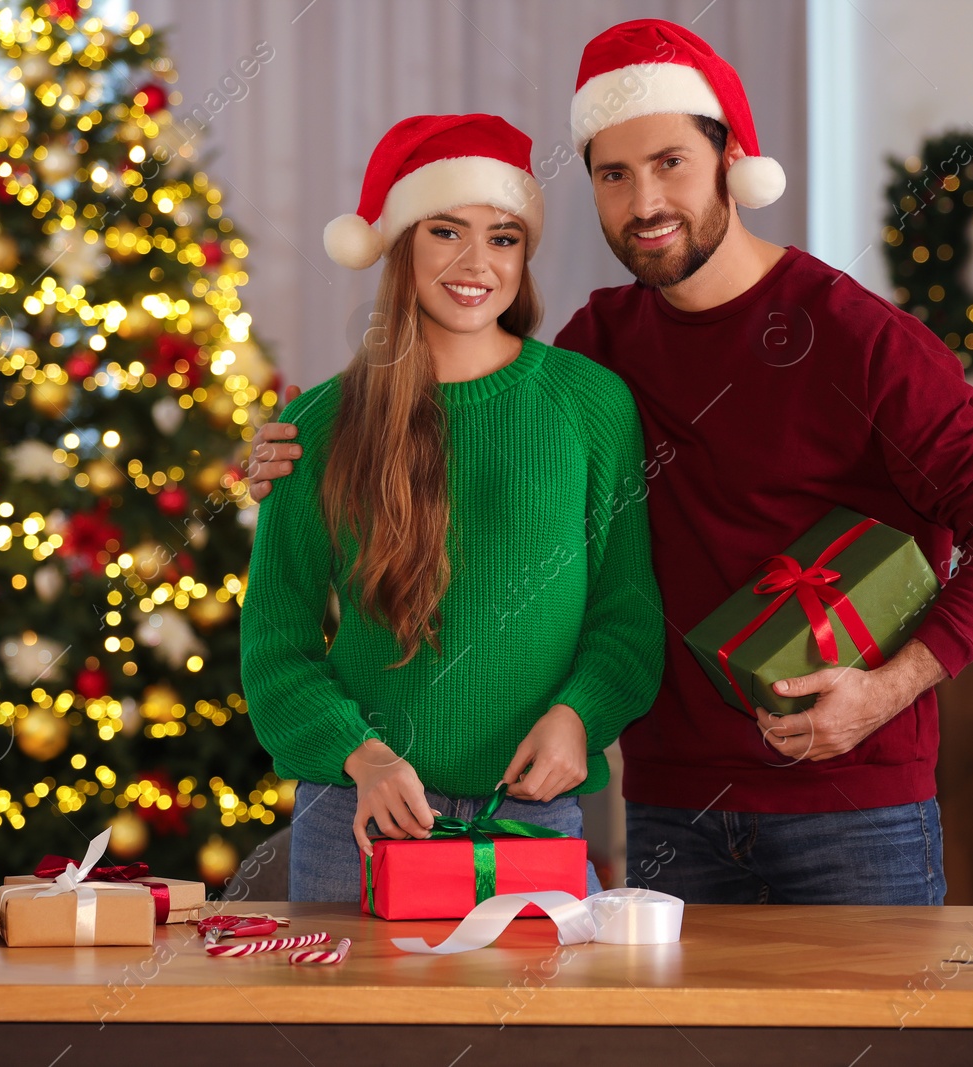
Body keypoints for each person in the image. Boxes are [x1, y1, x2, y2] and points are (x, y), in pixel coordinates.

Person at [250, 22, 973, 906]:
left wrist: (889, 689)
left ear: (730, 160)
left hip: (849, 803)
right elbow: (471, 432)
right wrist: (297, 445)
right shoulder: (601, 347)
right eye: (614, 173)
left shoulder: (859, 340)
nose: (645, 201)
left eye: (671, 162)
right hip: (673, 808)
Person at [239, 114, 664, 903]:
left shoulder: (590, 404)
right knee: (350, 1032)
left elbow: (627, 617)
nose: (478, 263)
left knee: (531, 1031)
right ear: (401, 246)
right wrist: (361, 755)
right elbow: (276, 645)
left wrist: (578, 717)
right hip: (355, 821)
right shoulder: (316, 426)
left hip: (532, 816)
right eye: (446, 232)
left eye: (503, 237)